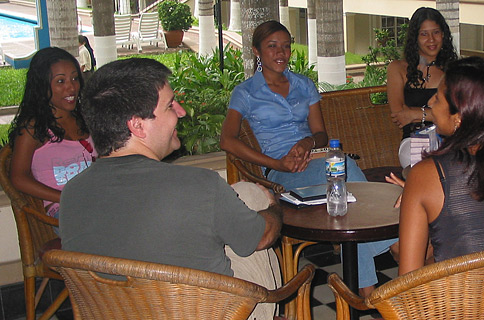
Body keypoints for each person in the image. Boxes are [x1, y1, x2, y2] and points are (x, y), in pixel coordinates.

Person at [59, 58, 282, 306]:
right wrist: (274, 207)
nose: (182, 111)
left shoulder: (71, 193)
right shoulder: (200, 185)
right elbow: (263, 237)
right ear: (137, 125)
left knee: (233, 202)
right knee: (253, 196)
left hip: (118, 309)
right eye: (169, 106)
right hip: (205, 311)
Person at [221, 20, 395, 296]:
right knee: (347, 182)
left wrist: (307, 142)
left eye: (287, 46)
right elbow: (226, 140)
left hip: (315, 157)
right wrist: (277, 164)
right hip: (281, 171)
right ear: (257, 51)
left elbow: (321, 135)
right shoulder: (245, 92)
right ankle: (376, 279)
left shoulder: (304, 85)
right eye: (272, 46)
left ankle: (364, 277)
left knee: (347, 188)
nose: (281, 52)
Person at [397, 57, 484, 275]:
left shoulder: (426, 176)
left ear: (459, 118)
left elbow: (408, 281)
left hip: (459, 307)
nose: (429, 104)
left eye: (438, 98)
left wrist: (414, 194)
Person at [8, 47, 96, 221]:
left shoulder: (85, 119)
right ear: (42, 86)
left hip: (95, 202)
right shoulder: (33, 128)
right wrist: (63, 198)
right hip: (63, 211)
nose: (71, 87)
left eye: (74, 78)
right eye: (61, 81)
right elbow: (18, 177)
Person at [386, 7, 457, 168]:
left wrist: (414, 113)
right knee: (422, 164)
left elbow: (461, 116)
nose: (431, 39)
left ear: (443, 35)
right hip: (414, 140)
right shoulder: (398, 69)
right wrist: (439, 115)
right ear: (415, 38)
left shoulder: (455, 70)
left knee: (456, 161)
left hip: (450, 139)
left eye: (436, 32)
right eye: (424, 34)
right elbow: (399, 116)